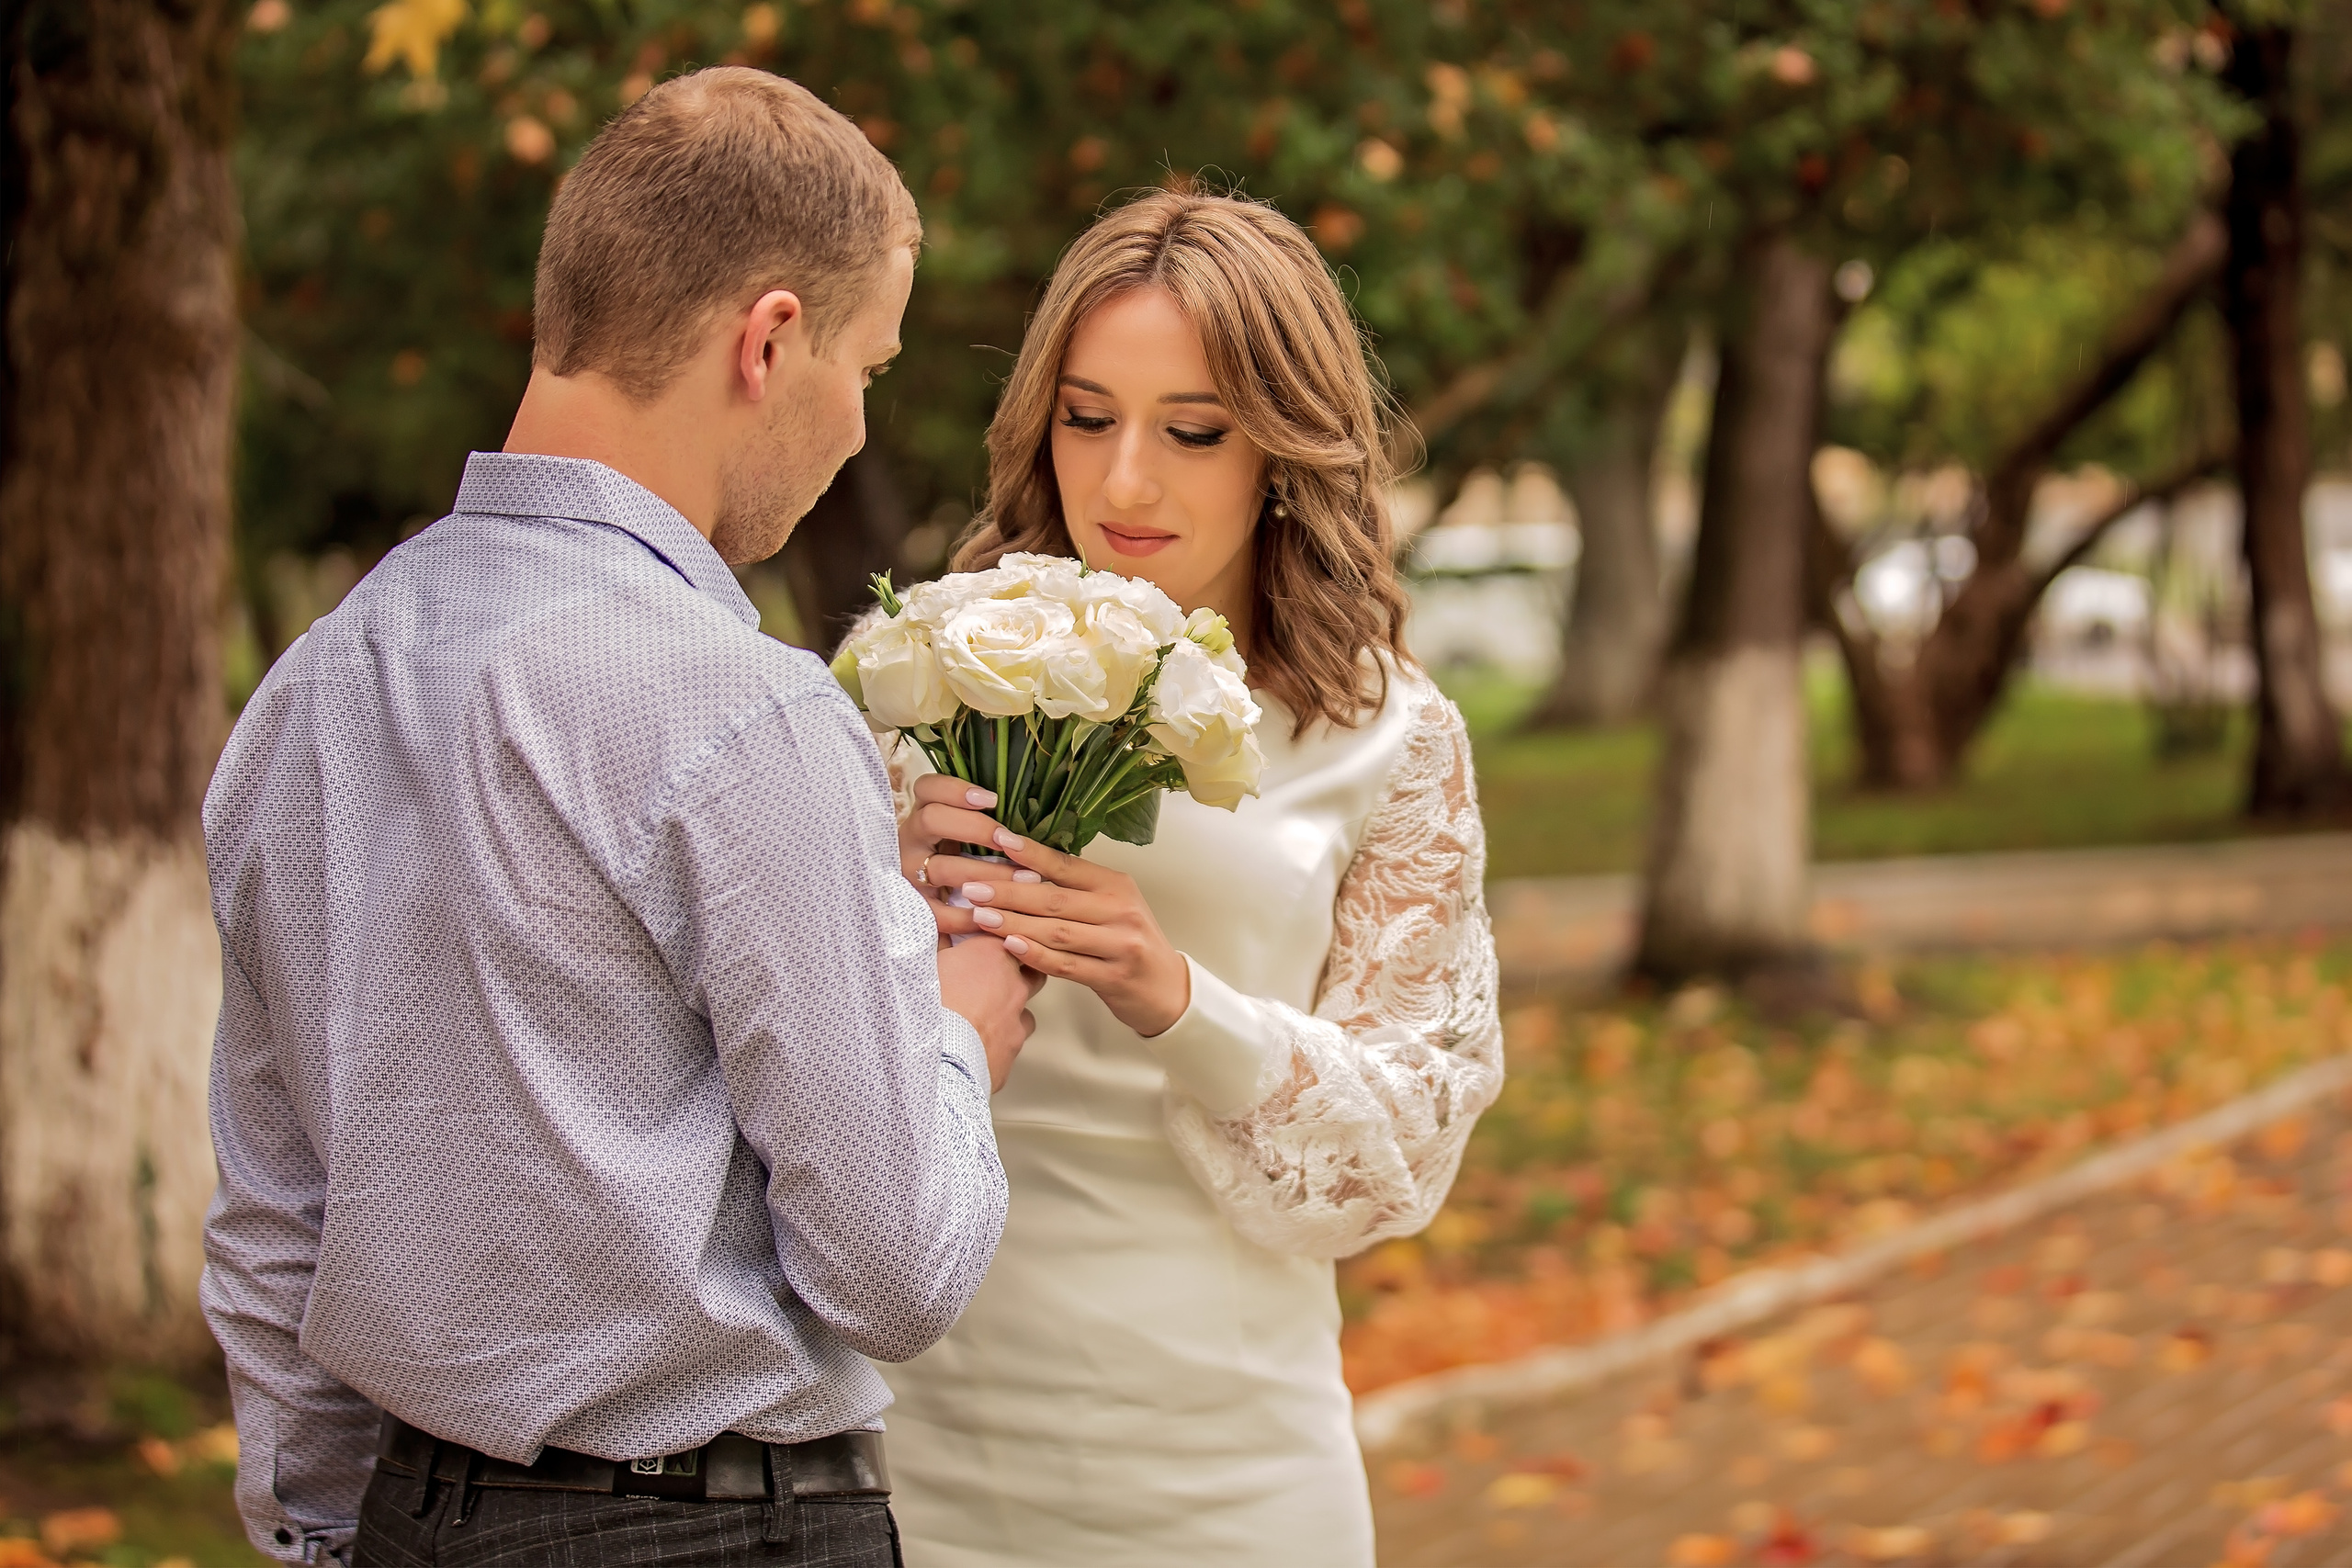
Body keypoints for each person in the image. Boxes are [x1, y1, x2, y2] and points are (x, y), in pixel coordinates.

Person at [200, 68, 1036, 1568]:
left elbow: (277, 1219)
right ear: (768, 340)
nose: (859, 427)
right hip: (714, 1533)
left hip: (402, 1521)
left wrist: (319, 1535)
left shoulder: (309, 690)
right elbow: (895, 1272)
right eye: (868, 367)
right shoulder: (747, 711)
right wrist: (957, 1033)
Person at [874, 189, 1505, 1567]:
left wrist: (1179, 998)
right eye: (1087, 418)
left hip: (1229, 1472)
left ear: (1282, 444)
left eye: (1194, 431)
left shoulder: (1389, 736)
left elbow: (1402, 1150)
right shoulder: (921, 680)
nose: (1125, 484)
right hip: (921, 1453)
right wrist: (874, 905)